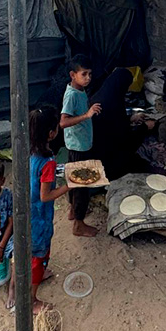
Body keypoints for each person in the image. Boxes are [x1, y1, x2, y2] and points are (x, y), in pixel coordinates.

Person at [8, 105, 68, 313]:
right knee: (38, 257)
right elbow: (46, 196)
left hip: (25, 210)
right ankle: (31, 300)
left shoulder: (27, 149)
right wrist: (69, 185)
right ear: (51, 133)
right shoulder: (48, 162)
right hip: (39, 217)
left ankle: (14, 287)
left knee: (22, 250)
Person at [59, 55, 101, 237]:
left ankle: (72, 210)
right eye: (84, 74)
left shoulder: (79, 91)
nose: (88, 78)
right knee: (82, 185)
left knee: (73, 179)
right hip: (78, 146)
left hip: (79, 142)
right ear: (72, 74)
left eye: (90, 74)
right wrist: (87, 115)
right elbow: (63, 122)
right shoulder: (72, 96)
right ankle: (79, 224)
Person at [90, 68, 149, 181]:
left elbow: (113, 122)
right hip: (105, 161)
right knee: (140, 165)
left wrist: (131, 118)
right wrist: (145, 127)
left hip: (94, 151)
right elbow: (124, 140)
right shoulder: (111, 105)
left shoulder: (100, 97)